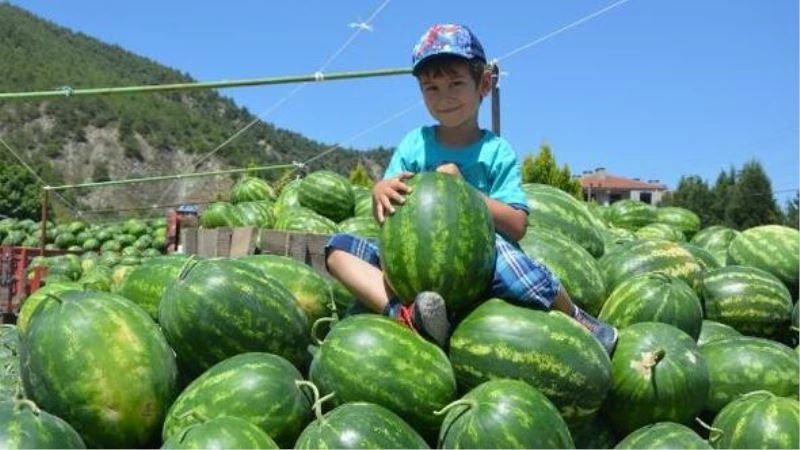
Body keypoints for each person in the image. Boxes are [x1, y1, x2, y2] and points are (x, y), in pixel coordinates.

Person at [325, 23, 617, 354]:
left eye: (456, 83)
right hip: (410, 268)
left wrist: (466, 192)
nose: (444, 97)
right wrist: (380, 191)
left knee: (518, 266)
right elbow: (386, 218)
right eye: (431, 87)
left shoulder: (497, 152)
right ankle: (406, 316)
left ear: (485, 84)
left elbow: (517, 226)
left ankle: (578, 320)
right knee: (338, 250)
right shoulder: (414, 144)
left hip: (478, 265)